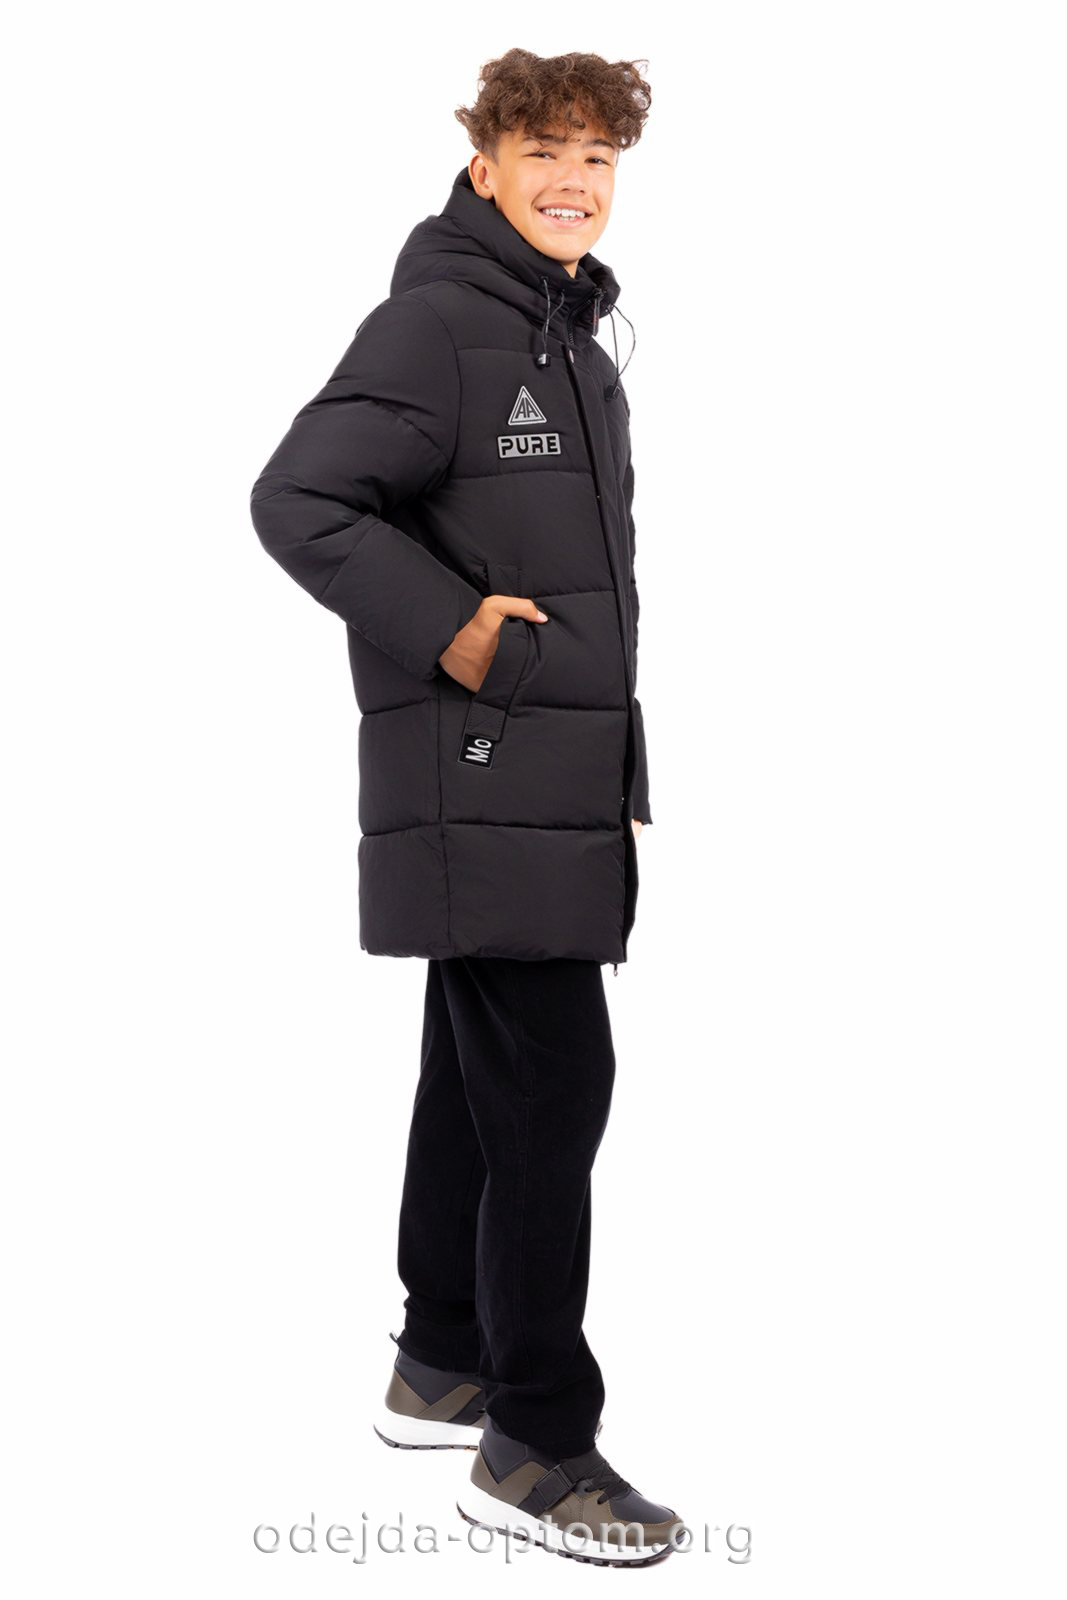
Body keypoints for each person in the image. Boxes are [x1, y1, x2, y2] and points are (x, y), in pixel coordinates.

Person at [250, 48, 683, 1565]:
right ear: (483, 165)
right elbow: (298, 499)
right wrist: (460, 634)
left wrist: (617, 781)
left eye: (598, 157)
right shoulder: (442, 326)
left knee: (479, 1069)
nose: (574, 181)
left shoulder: (571, 343)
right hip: (479, 775)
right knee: (554, 1084)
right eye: (543, 150)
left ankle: (443, 1356)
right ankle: (537, 1445)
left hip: (542, 785)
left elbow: (592, 598)